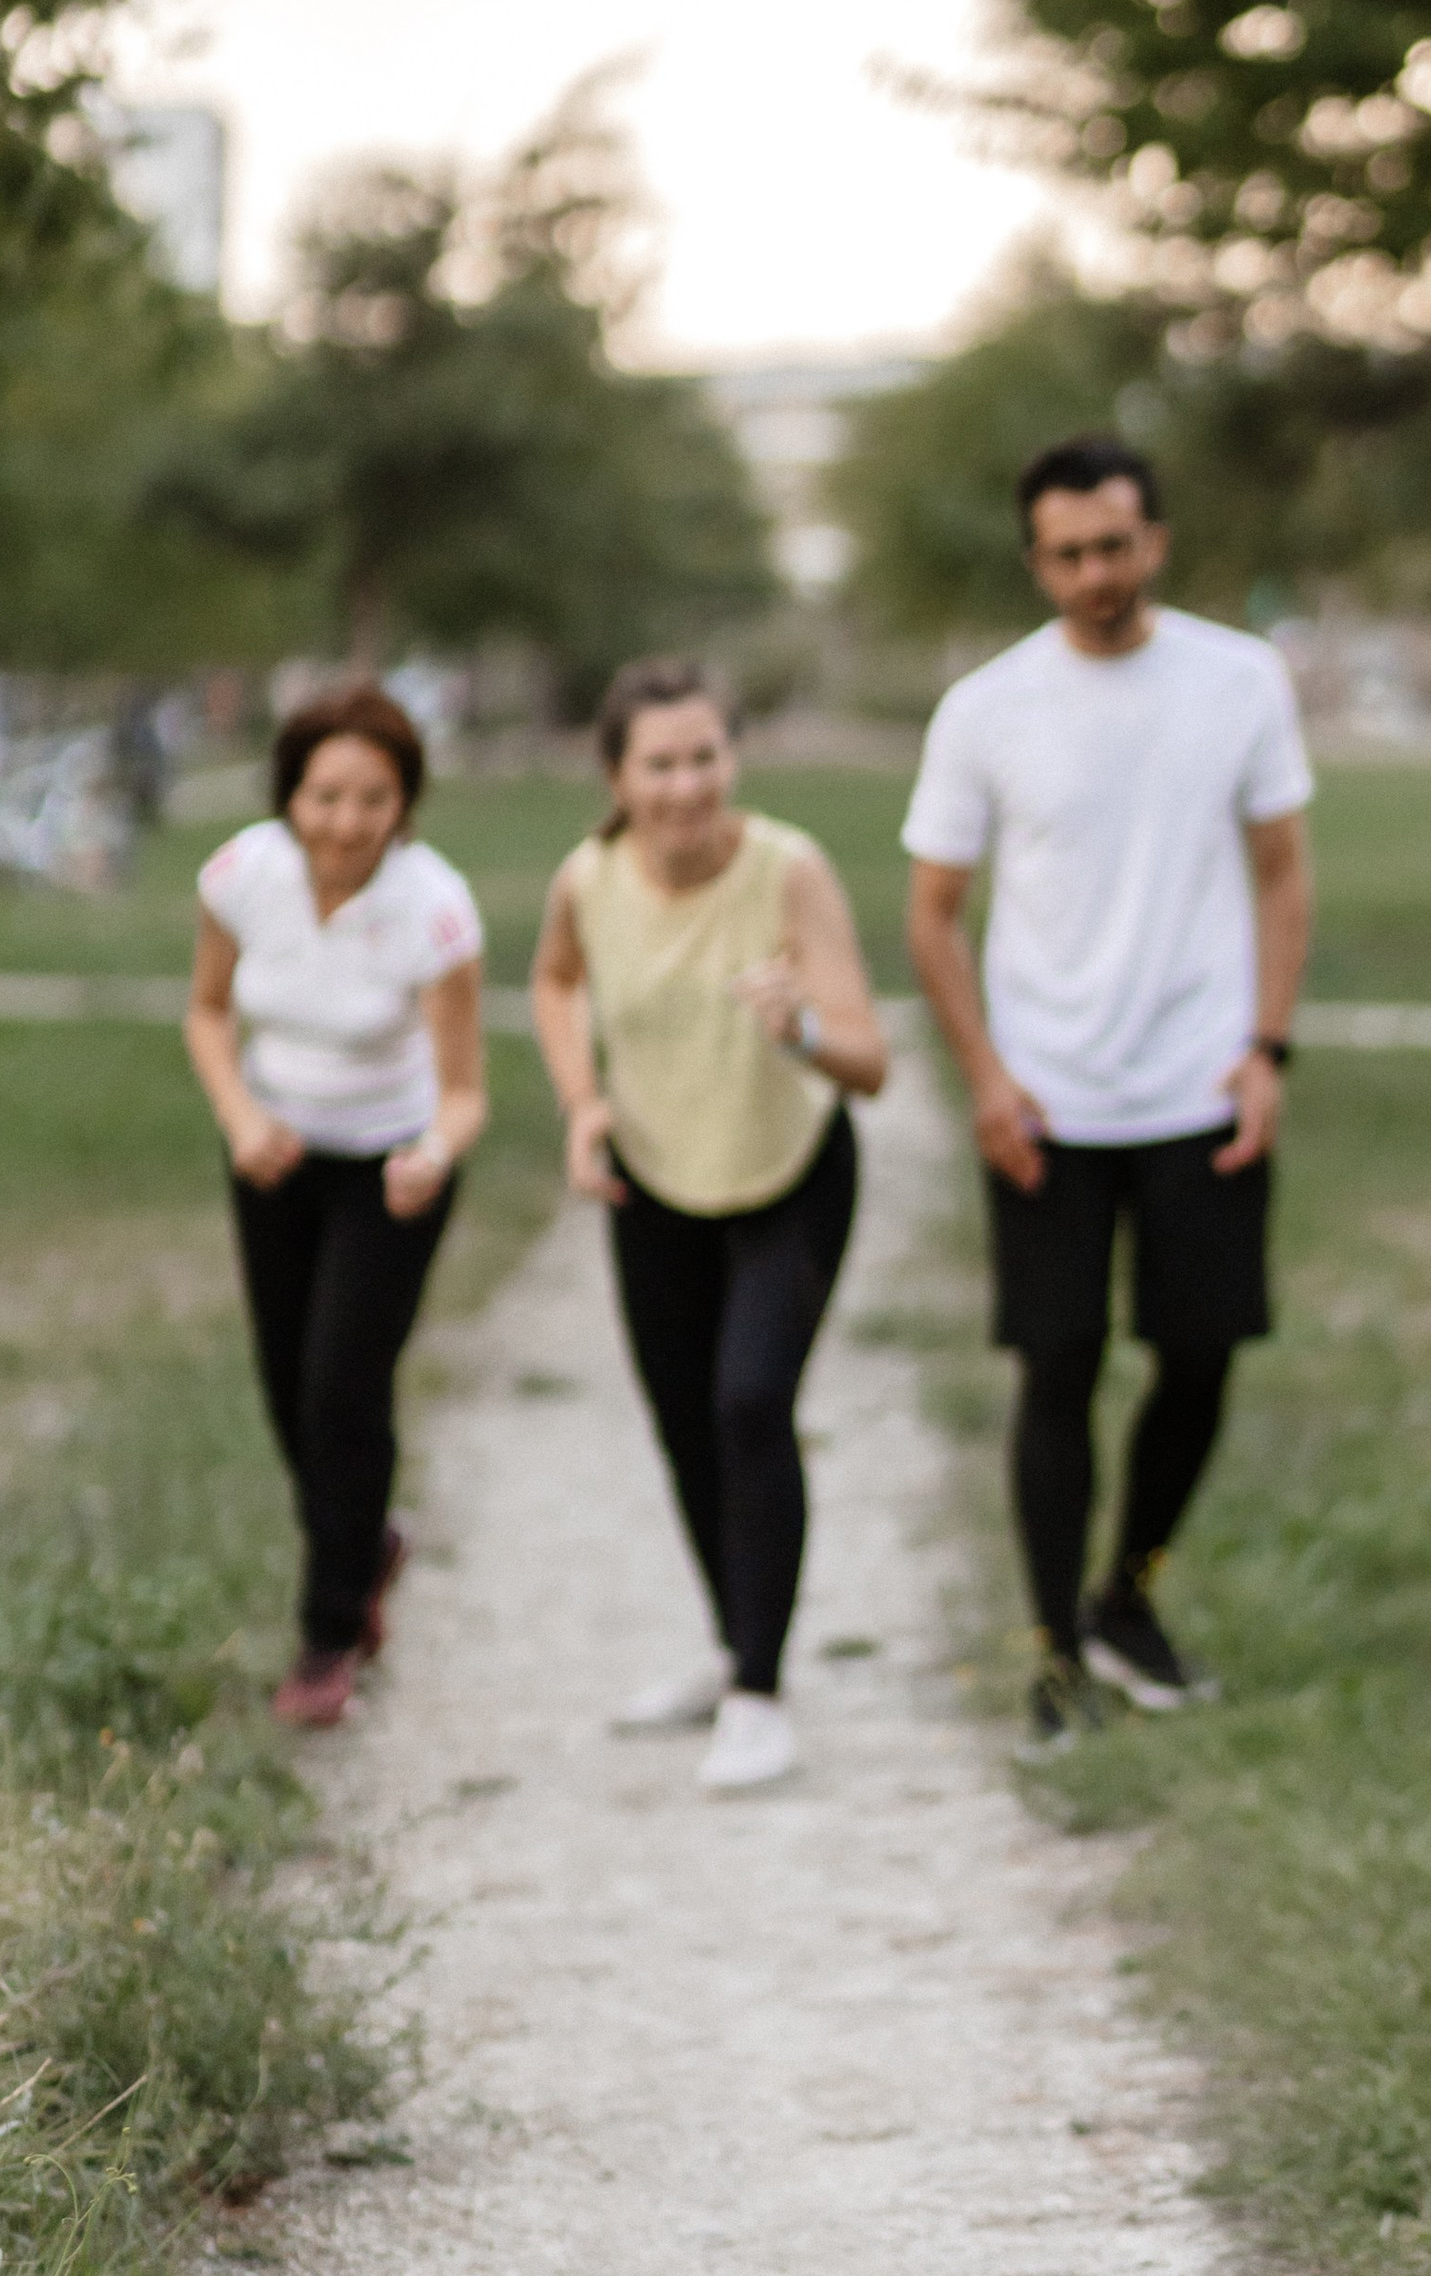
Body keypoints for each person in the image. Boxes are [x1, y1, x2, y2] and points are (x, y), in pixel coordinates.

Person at [903, 434, 1314, 1745]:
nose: (1096, 573)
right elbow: (931, 913)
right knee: (1057, 1366)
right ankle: (1052, 1654)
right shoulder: (985, 708)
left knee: (1198, 1359)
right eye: (1070, 553)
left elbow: (1283, 871)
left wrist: (1266, 1050)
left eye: (1116, 546)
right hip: (1049, 1103)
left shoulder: (1239, 680)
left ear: (1157, 541)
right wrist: (985, 1079)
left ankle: (1126, 1599)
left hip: (1202, 1088)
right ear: (1037, 562)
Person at [531, 661, 886, 1795]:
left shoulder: (789, 869)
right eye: (659, 764)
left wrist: (801, 1028)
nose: (685, 785)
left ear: (732, 759)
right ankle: (736, 1646)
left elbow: (869, 1061)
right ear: (615, 774)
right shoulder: (587, 878)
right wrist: (584, 1102)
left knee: (749, 1402)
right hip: (654, 1181)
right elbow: (554, 982)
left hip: (789, 1172)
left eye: (703, 758)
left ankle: (761, 1698)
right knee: (686, 1424)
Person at [185, 683, 488, 1728]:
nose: (347, 821)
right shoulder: (242, 875)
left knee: (341, 1388)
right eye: (325, 796)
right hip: (274, 1158)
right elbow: (208, 1012)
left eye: (373, 798)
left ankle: (329, 1630)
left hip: (391, 1170)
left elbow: (465, 1091)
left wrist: (432, 1154)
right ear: (289, 794)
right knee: (286, 1390)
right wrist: (241, 1118)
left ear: (405, 803)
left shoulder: (434, 908)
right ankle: (369, 1542)